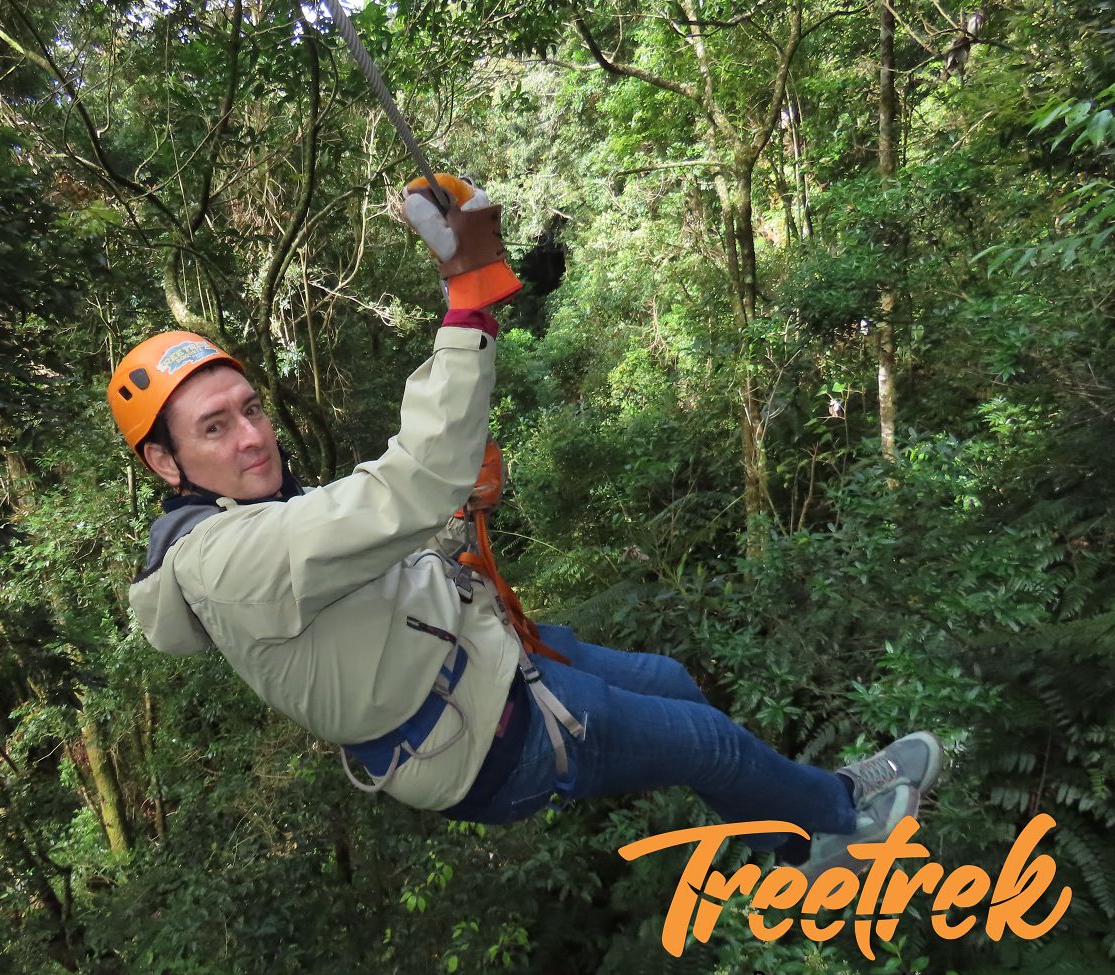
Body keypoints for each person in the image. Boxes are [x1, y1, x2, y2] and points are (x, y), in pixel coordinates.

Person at [111, 175, 942, 878]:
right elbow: (411, 481)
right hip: (477, 736)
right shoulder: (224, 562)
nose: (252, 436)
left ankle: (782, 832)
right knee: (705, 742)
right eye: (214, 427)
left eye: (250, 409)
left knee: (671, 682)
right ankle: (843, 824)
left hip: (481, 657)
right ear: (164, 462)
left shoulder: (261, 517)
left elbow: (369, 567)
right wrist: (466, 307)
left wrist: (452, 524)